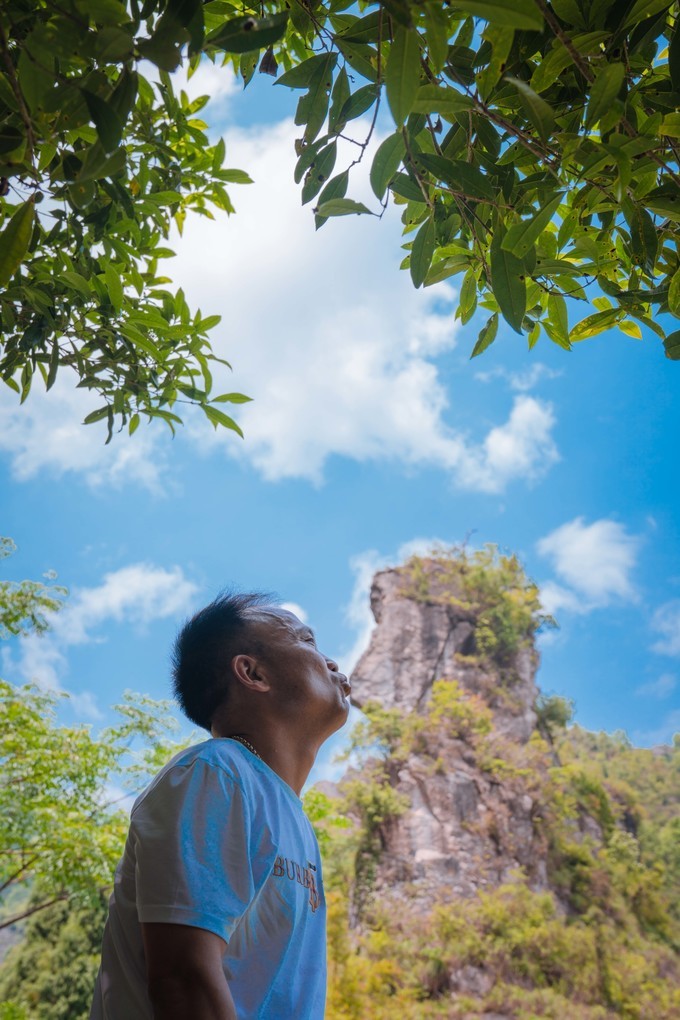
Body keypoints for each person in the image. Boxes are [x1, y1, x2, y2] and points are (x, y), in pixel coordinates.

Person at [89, 591, 351, 1020]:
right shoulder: (216, 773)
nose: (332, 662)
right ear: (252, 672)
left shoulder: (290, 814)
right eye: (306, 641)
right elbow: (182, 978)